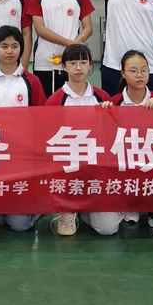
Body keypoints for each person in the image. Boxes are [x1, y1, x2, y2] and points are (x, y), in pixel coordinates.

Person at [0, 25, 46, 232]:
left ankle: (38, 207)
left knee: (18, 225)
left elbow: (42, 118)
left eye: (14, 46)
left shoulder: (31, 81)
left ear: (21, 49)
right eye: (4, 46)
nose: (9, 51)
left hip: (22, 156)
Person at [45, 43, 117, 237]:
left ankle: (85, 211)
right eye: (73, 63)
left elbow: (113, 136)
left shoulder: (102, 97)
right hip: (67, 169)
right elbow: (47, 138)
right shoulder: (55, 101)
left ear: (90, 65)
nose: (78, 67)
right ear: (64, 67)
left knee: (108, 229)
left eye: (83, 62)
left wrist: (109, 115)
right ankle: (67, 210)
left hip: (96, 169)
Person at [105, 50, 153, 235]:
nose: (140, 75)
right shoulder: (114, 103)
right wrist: (103, 113)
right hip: (126, 160)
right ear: (123, 73)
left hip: (152, 158)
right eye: (133, 71)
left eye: (144, 70)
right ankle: (130, 204)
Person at [27, 0, 95, 98]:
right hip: (44, 62)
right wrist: (70, 43)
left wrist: (73, 47)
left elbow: (88, 28)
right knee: (45, 104)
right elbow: (40, 29)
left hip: (72, 62)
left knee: (71, 101)